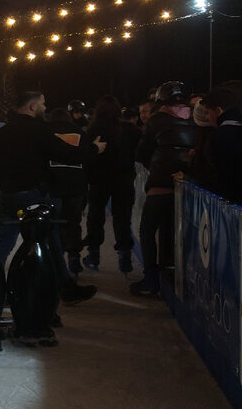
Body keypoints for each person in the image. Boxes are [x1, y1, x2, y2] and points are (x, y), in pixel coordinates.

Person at [0, 90, 104, 304]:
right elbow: (67, 154)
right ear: (32, 106)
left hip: (6, 197)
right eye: (42, 104)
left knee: (5, 241)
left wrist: (1, 189)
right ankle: (65, 287)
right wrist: (94, 148)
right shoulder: (38, 130)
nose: (45, 108)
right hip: (32, 196)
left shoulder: (3, 132)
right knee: (51, 241)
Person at [132, 81, 197, 296]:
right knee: (173, 232)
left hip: (161, 184)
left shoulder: (157, 120)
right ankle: (170, 274)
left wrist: (155, 163)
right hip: (188, 185)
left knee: (148, 230)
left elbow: (142, 151)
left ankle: (151, 279)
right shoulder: (194, 119)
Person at [82, 96, 143, 273]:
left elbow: (87, 156)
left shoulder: (92, 130)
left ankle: (93, 256)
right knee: (123, 218)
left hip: (98, 181)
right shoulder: (130, 130)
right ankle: (125, 259)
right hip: (124, 180)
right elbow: (141, 152)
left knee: (95, 217)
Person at [45, 107, 89, 277]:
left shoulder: (47, 132)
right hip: (75, 184)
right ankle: (74, 257)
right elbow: (87, 156)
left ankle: (56, 259)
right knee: (73, 222)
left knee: (54, 224)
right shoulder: (79, 132)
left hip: (53, 184)